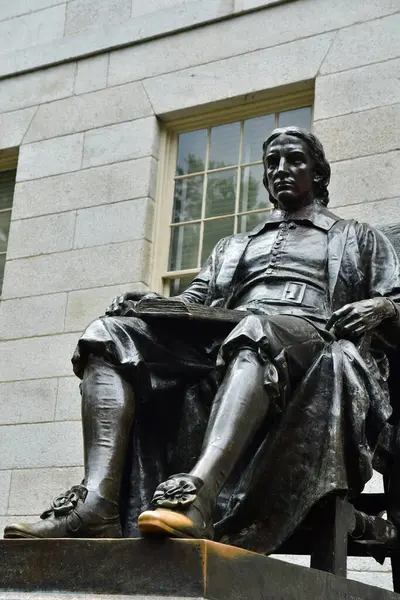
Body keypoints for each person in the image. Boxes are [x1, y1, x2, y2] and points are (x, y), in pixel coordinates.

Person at [5, 127, 400, 555]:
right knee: (108, 334)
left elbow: (394, 296)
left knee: (256, 331)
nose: (282, 170)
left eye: (295, 160)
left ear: (319, 174)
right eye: (272, 163)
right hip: (227, 334)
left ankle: (199, 497)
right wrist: (154, 304)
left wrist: (384, 309)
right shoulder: (235, 245)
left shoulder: (357, 236)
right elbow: (195, 302)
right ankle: (97, 504)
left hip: (313, 338)